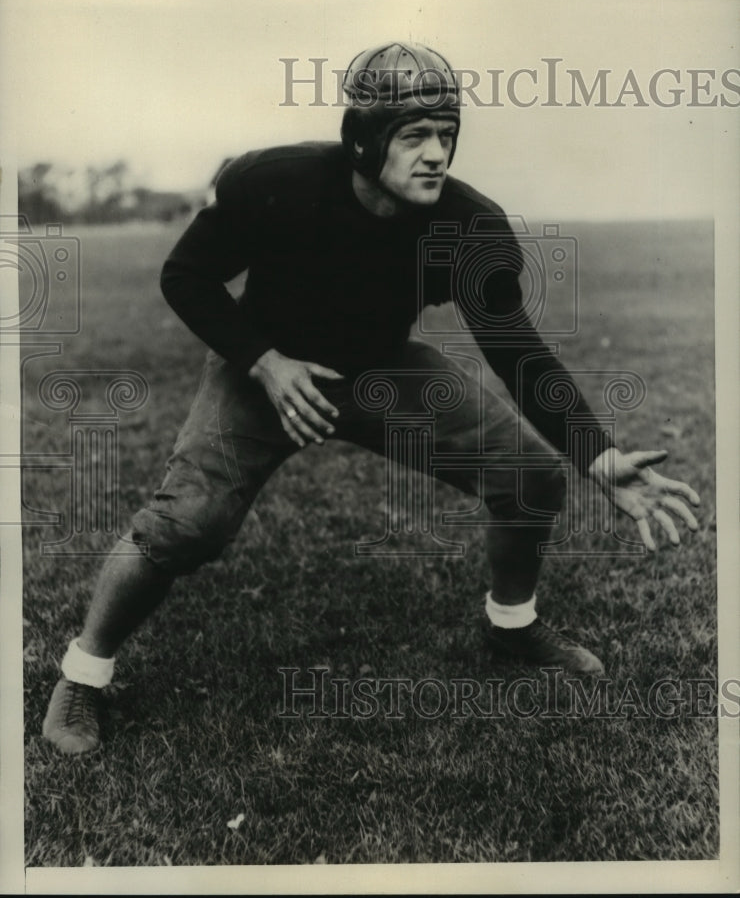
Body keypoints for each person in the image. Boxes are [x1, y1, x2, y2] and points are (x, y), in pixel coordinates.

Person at [42, 42, 700, 754]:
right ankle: (84, 673)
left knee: (530, 476)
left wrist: (597, 457)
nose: (436, 154)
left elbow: (516, 350)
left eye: (446, 135)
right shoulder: (279, 183)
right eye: (415, 135)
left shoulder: (467, 226)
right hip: (265, 367)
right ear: (364, 139)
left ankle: (510, 624)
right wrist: (265, 363)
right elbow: (186, 276)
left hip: (381, 369)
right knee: (189, 523)